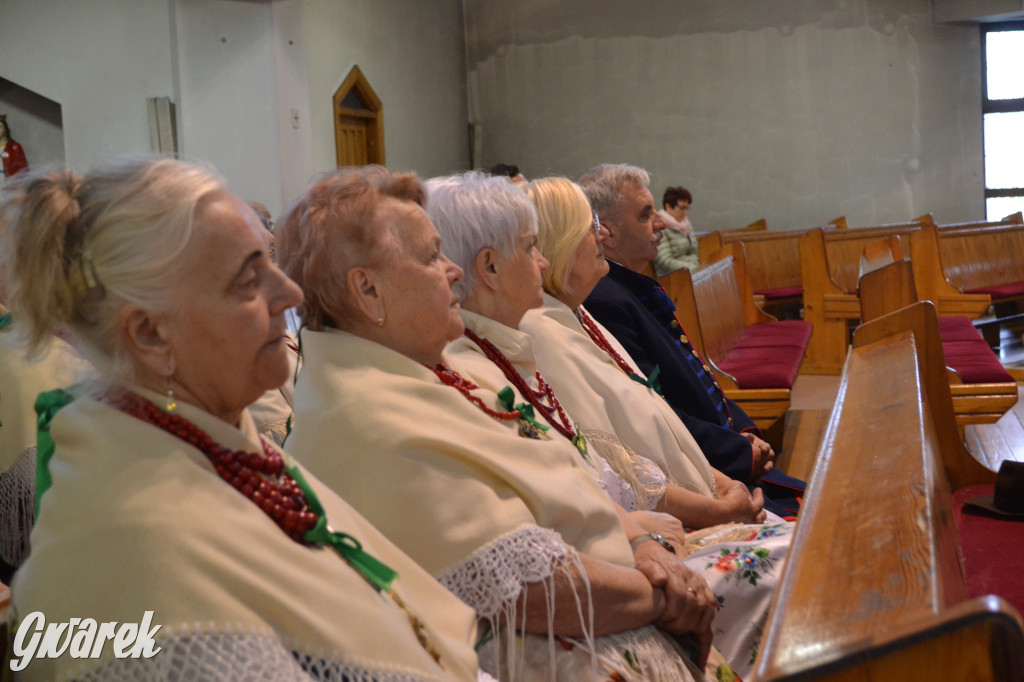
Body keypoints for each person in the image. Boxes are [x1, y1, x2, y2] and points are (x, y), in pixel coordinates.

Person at [0, 157, 481, 681]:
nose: (291, 294)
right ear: (150, 334)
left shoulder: (216, 443)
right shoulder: (139, 545)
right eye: (248, 281)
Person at [279, 166, 718, 681]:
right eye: (429, 256)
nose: (452, 271)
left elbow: (568, 475)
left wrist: (643, 547)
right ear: (368, 291)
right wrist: (662, 596)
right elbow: (531, 589)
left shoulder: (435, 367)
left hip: (614, 602)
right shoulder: (359, 418)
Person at [430, 172, 790, 676]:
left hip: (640, 542)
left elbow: (595, 456)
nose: (542, 260)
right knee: (788, 569)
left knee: (796, 553)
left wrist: (700, 498)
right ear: (489, 266)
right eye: (532, 246)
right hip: (613, 567)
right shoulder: (498, 348)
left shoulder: (514, 340)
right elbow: (546, 515)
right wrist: (672, 529)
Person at [578, 164, 805, 517]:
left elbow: (698, 377)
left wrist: (743, 430)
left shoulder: (630, 287)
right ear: (607, 232)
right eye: (645, 214)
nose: (662, 222)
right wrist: (739, 450)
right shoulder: (605, 300)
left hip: (721, 454)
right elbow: (657, 412)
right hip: (705, 471)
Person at [652, 186, 698, 276]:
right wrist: (692, 267)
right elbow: (665, 260)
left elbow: (694, 252)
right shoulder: (660, 227)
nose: (685, 212)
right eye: (682, 208)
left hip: (690, 272)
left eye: (687, 208)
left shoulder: (686, 224)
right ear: (668, 206)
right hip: (671, 278)